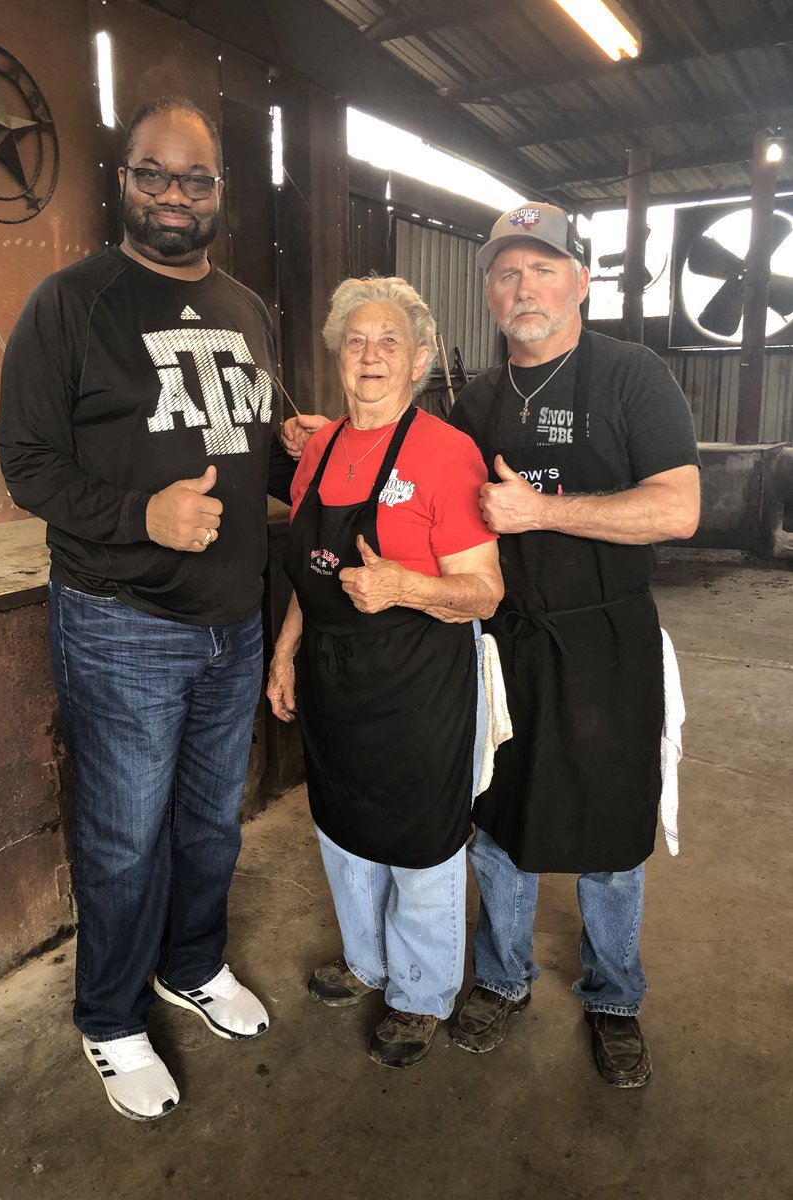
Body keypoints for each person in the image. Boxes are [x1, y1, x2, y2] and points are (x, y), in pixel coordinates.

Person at [0, 96, 297, 1121]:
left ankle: (193, 963)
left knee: (213, 823)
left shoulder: (252, 310)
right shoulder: (69, 304)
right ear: (124, 181)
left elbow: (241, 444)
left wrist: (301, 462)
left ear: (221, 193)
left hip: (234, 619)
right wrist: (140, 514)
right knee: (124, 839)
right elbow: (25, 464)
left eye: (195, 179)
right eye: (153, 175)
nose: (174, 195)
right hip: (122, 617)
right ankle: (112, 1016)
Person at [447, 202, 700, 1087]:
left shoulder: (633, 376)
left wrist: (542, 511)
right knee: (497, 819)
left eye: (543, 269)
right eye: (508, 273)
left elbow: (678, 506)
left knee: (610, 829)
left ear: (581, 282)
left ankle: (614, 998)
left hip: (605, 642)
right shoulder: (473, 399)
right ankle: (503, 979)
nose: (525, 287)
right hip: (501, 643)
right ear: (489, 293)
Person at [266, 276, 504, 1070]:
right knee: (342, 826)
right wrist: (287, 649)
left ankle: (421, 992)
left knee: (419, 840)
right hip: (336, 676)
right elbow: (310, 572)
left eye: (390, 342)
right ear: (338, 355)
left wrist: (404, 586)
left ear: (421, 361)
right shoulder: (322, 449)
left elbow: (486, 589)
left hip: (418, 680)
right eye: (356, 341)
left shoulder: (445, 451)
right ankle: (367, 960)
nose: (371, 356)